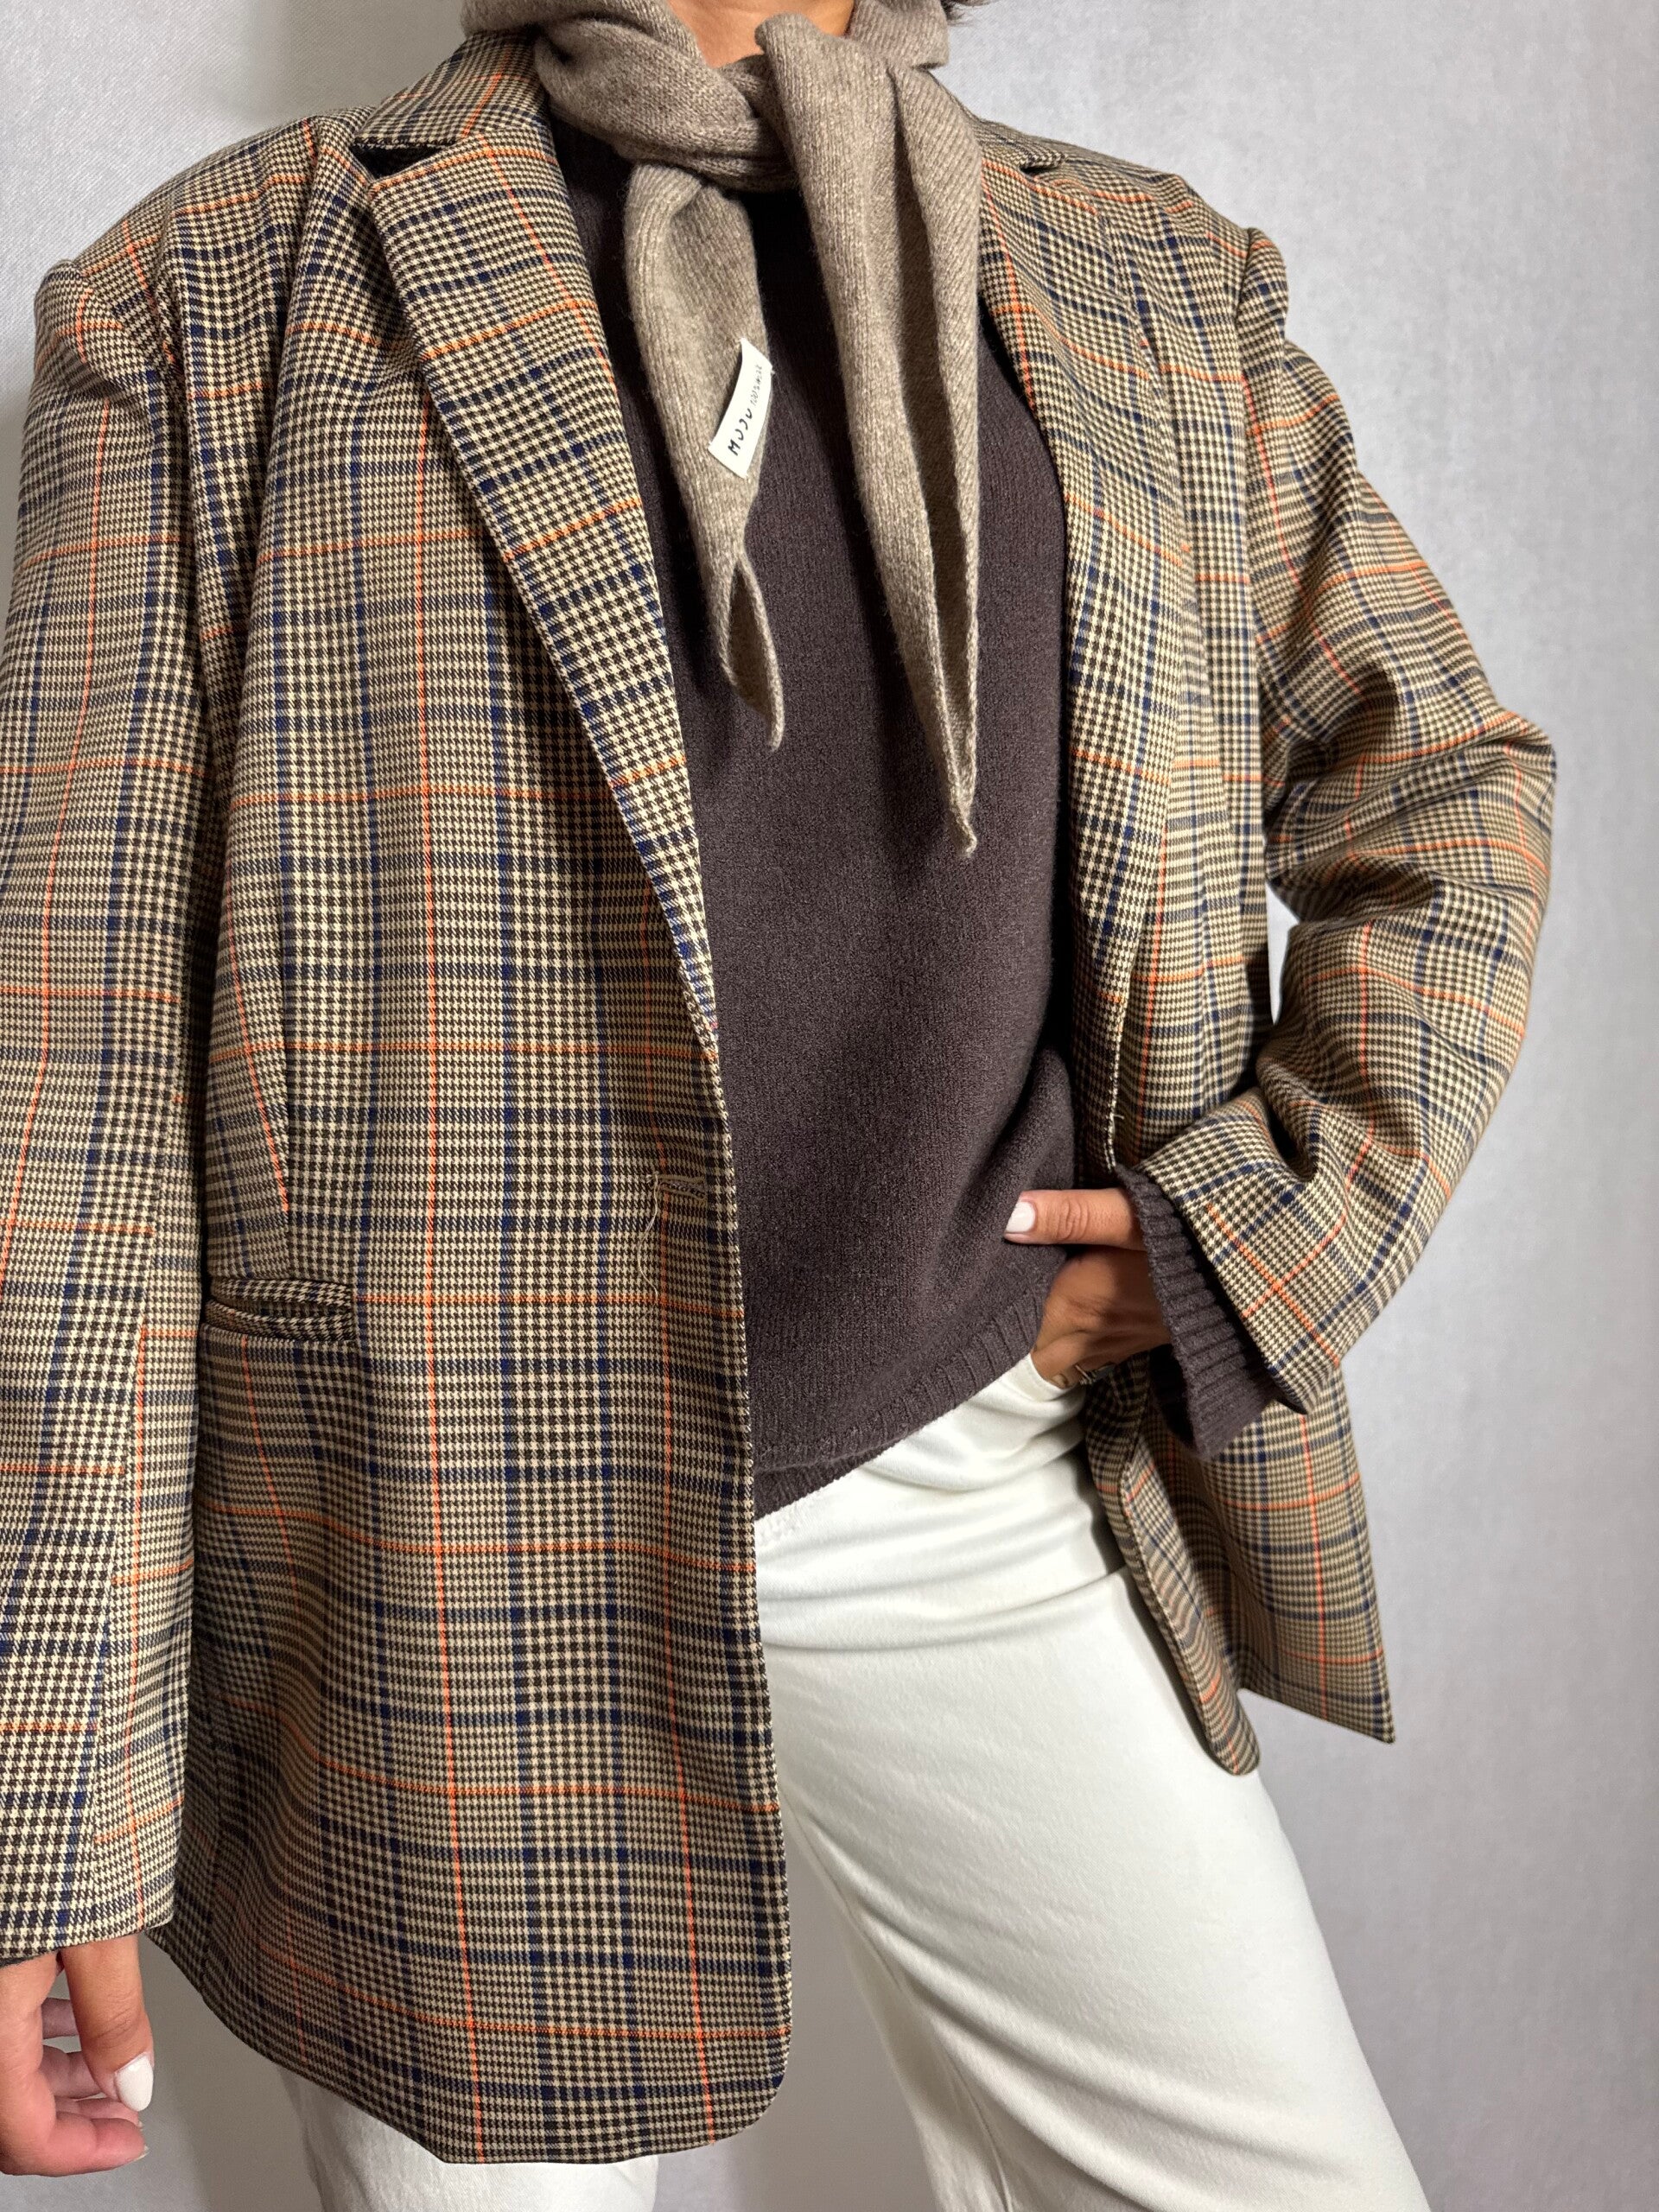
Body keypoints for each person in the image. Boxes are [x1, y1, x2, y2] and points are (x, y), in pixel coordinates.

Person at [0, 0, 1554, 2204]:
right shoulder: (215, 297)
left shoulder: (1147, 285)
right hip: (443, 1536)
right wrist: (39, 1802)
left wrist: (1246, 1232)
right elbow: (67, 1090)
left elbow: (1447, 792)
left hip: (971, 1454)